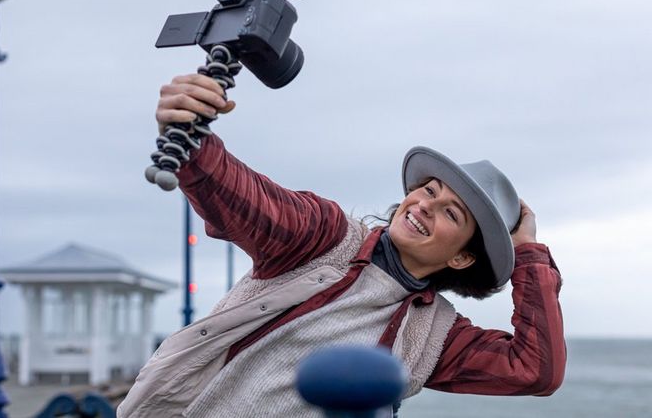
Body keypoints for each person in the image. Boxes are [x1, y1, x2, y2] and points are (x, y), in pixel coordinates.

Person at [117, 74, 566, 418]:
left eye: (452, 213)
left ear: (462, 257)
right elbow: (243, 197)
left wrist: (528, 254)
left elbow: (535, 370)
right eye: (430, 191)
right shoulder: (323, 237)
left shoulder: (434, 336)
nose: (426, 205)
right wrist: (192, 137)